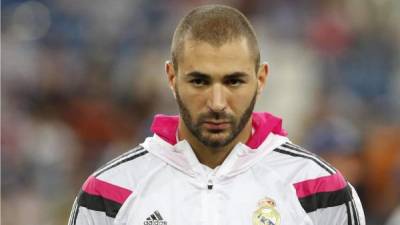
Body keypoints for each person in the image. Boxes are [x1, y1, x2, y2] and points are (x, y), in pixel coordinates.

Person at [68, 5, 365, 225]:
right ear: (172, 77)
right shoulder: (110, 191)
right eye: (200, 81)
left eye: (234, 81)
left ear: (261, 79)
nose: (217, 102)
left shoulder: (321, 190)